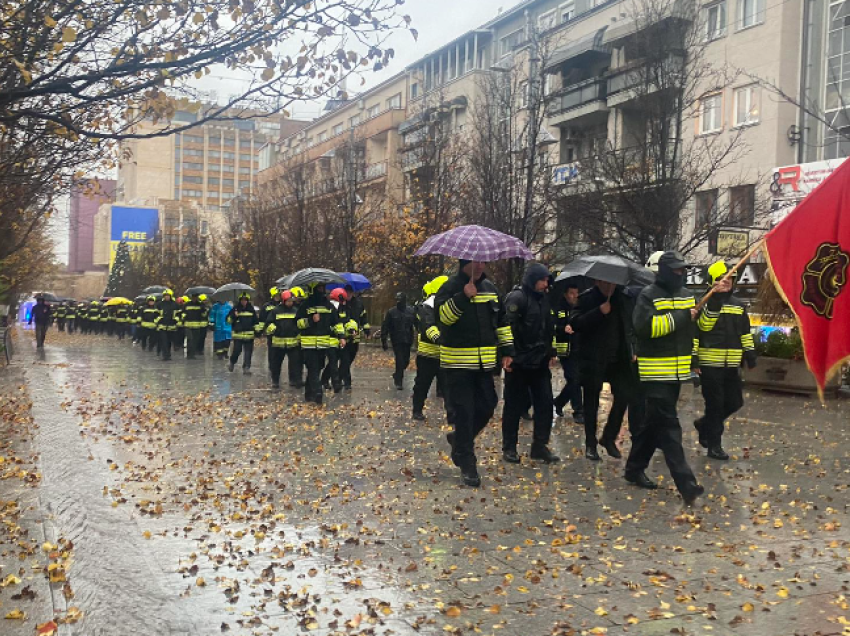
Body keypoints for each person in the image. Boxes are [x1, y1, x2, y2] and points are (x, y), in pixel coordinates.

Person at [625, 250, 704, 505]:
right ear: (666, 271)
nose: (681, 274)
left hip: (678, 373)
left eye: (683, 270)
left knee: (652, 425)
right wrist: (682, 317)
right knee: (670, 429)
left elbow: (691, 332)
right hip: (655, 373)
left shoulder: (687, 295)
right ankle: (687, 484)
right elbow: (645, 328)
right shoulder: (648, 295)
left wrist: (694, 361)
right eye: (677, 271)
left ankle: (634, 469)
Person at [435, 259, 514, 488]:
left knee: (489, 405)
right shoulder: (449, 288)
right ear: (464, 263)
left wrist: (508, 350)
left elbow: (502, 323)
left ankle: (459, 440)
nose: (481, 266)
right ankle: (468, 463)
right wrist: (462, 297)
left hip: (484, 365)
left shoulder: (491, 289)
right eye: (476, 262)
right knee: (465, 413)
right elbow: (443, 319)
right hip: (457, 365)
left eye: (483, 262)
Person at [694, 261, 757, 460]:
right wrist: (694, 360)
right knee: (715, 404)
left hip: (731, 364)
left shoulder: (739, 305)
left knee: (734, 402)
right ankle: (715, 445)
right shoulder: (703, 301)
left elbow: (744, 331)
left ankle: (704, 424)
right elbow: (700, 329)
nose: (727, 282)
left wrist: (750, 353)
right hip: (709, 364)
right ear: (713, 281)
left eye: (730, 278)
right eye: (723, 279)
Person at [570, 278, 639, 461]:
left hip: (618, 357)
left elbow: (629, 324)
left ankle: (609, 436)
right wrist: (599, 312)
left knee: (625, 395)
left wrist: (632, 349)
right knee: (591, 403)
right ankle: (590, 444)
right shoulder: (586, 298)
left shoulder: (623, 298)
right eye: (606, 283)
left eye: (613, 283)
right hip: (593, 359)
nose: (610, 286)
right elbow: (576, 323)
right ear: (597, 281)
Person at [501, 263, 560, 464]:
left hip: (540, 362)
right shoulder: (517, 298)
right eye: (543, 280)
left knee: (545, 404)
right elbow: (506, 326)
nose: (546, 284)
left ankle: (540, 446)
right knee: (513, 406)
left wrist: (551, 351)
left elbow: (548, 327)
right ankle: (509, 447)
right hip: (519, 362)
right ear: (533, 279)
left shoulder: (544, 300)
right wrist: (508, 353)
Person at [296, 283, 345, 404]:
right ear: (313, 289)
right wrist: (310, 320)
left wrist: (341, 336)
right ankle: (318, 392)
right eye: (319, 288)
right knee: (312, 368)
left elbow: (336, 323)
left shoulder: (328, 305)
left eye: (323, 288)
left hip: (323, 344)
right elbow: (297, 324)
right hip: (309, 344)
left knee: (317, 368)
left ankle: (309, 393)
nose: (322, 290)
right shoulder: (306, 305)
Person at [412, 276, 450, 421]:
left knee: (448, 386)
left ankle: (451, 414)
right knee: (422, 384)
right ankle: (417, 410)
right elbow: (428, 325)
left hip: (445, 354)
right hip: (428, 354)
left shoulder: (447, 305)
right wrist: (440, 339)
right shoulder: (426, 306)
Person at [553, 282, 584, 423]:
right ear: (566, 294)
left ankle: (559, 402)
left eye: (576, 293)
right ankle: (578, 410)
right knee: (574, 379)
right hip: (564, 349)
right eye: (572, 293)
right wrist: (562, 328)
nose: (574, 296)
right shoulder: (558, 307)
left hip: (578, 347)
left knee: (576, 379)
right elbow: (552, 325)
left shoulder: (580, 307)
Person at [266, 291, 302, 389]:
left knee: (295, 363)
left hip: (293, 342)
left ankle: (293, 380)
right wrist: (276, 331)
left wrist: (296, 331)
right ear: (284, 300)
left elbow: (299, 324)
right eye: (289, 301)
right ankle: (275, 381)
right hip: (278, 343)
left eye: (291, 301)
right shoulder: (275, 311)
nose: (290, 303)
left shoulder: (296, 311)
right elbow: (269, 324)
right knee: (276, 364)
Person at [382, 292, 416, 390]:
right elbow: (385, 326)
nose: (398, 301)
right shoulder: (391, 312)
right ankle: (399, 381)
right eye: (397, 299)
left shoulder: (410, 311)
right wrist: (384, 341)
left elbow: (416, 323)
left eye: (400, 299)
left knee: (406, 360)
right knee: (399, 360)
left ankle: (397, 374)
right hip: (396, 340)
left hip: (408, 340)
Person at [321, 288, 352, 391]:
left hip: (339, 338)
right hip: (330, 339)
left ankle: (325, 379)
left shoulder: (344, 308)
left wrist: (350, 330)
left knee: (339, 362)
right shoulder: (329, 307)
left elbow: (346, 321)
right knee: (333, 362)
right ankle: (336, 384)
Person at [228, 293, 260, 373]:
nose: (244, 301)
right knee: (237, 350)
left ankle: (246, 367)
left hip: (249, 335)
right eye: (242, 300)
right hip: (238, 335)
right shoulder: (235, 309)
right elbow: (228, 321)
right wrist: (234, 316)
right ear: (240, 300)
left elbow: (255, 321)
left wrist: (258, 331)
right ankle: (232, 362)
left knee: (248, 352)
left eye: (245, 300)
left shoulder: (251, 309)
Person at [345, 284, 370, 365]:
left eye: (350, 292)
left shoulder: (359, 304)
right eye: (346, 292)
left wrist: (367, 331)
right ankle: (344, 377)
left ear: (353, 293)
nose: (348, 294)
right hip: (343, 337)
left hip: (355, 337)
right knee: (345, 361)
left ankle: (344, 376)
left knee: (351, 358)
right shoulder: (340, 304)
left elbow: (364, 318)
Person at [182, 293, 209, 360]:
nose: (194, 298)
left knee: (195, 340)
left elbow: (204, 315)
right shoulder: (187, 304)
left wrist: (204, 309)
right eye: (193, 297)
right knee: (190, 339)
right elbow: (183, 313)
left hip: (197, 325)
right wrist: (184, 318)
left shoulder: (200, 305)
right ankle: (189, 354)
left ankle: (192, 354)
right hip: (188, 325)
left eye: (196, 297)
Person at [259, 287, 281, 367]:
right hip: (270, 332)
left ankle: (276, 365)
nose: (277, 297)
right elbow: (262, 319)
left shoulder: (281, 305)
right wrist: (260, 331)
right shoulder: (266, 306)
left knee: (278, 351)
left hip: (280, 331)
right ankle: (271, 366)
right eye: (276, 295)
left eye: (279, 295)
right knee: (271, 350)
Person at [156, 290, 180, 361]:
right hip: (162, 326)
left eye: (168, 295)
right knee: (164, 341)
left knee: (169, 341)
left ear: (170, 296)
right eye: (165, 295)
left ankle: (168, 354)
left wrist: (175, 320)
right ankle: (165, 355)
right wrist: (160, 319)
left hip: (171, 326)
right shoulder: (160, 304)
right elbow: (156, 314)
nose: (167, 297)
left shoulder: (175, 304)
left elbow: (179, 314)